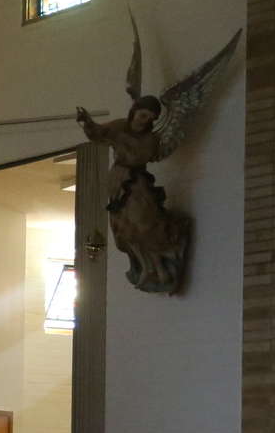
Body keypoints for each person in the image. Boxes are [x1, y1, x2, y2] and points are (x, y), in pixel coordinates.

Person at [76, 95, 191, 294]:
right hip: (118, 180)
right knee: (124, 228)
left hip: (136, 180)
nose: (143, 120)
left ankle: (157, 264)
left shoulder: (151, 139)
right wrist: (87, 121)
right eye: (142, 114)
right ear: (134, 112)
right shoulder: (119, 127)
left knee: (143, 221)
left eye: (149, 118)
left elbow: (150, 154)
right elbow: (99, 133)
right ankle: (147, 265)